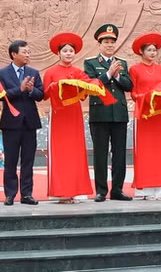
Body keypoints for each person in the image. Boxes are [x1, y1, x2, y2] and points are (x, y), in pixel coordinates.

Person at [43, 32, 94, 203]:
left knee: (75, 152)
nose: (68, 54)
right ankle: (62, 192)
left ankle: (76, 190)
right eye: (65, 51)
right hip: (59, 115)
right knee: (61, 153)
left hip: (74, 115)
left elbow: (87, 90)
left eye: (71, 51)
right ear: (58, 53)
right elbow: (44, 95)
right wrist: (54, 86)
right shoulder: (51, 72)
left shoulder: (78, 72)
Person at [84, 24, 133, 202]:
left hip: (119, 114)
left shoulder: (122, 63)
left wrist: (118, 76)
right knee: (100, 153)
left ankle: (117, 189)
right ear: (99, 44)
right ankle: (101, 190)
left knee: (119, 154)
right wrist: (108, 74)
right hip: (100, 114)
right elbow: (90, 85)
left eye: (112, 42)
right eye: (106, 42)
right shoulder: (91, 63)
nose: (110, 45)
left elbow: (129, 85)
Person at [128, 33, 161, 200]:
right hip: (144, 113)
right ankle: (146, 189)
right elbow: (133, 93)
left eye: (154, 50)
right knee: (145, 150)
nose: (152, 53)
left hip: (159, 114)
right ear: (141, 52)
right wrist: (146, 97)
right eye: (149, 50)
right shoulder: (134, 69)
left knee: (160, 149)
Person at [0, 40, 44, 206]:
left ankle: (27, 194)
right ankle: (10, 194)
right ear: (14, 54)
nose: (27, 55)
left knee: (28, 160)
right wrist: (20, 89)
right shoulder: (2, 73)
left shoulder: (33, 72)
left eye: (29, 52)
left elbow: (41, 95)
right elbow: (1, 95)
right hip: (11, 123)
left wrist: (31, 90)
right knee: (10, 160)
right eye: (24, 52)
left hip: (30, 122)